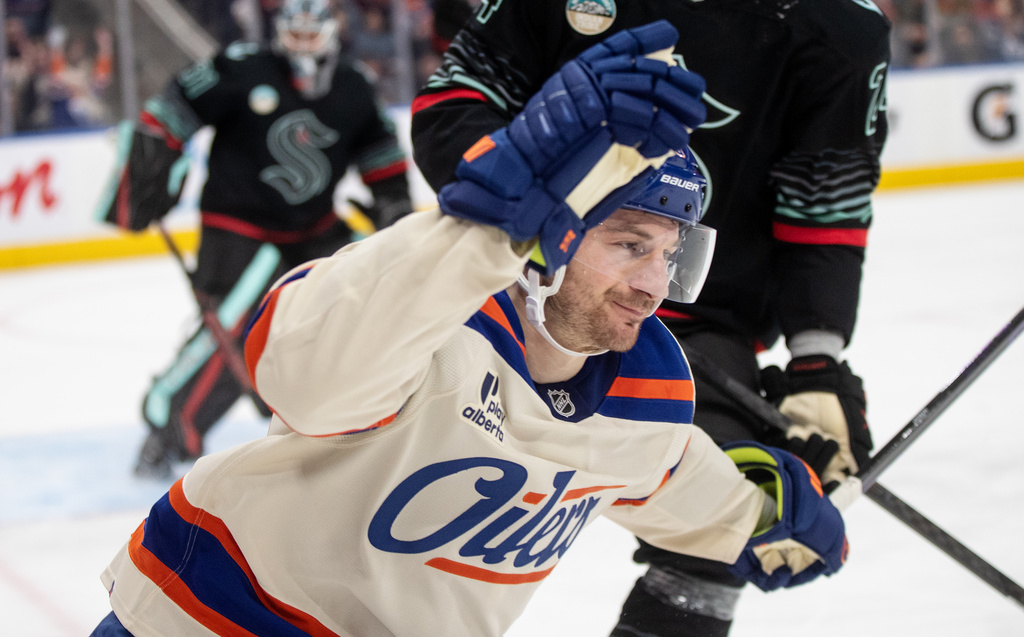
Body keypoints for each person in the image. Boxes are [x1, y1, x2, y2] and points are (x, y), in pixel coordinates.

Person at [90, 22, 848, 637]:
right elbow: (299, 371)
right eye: (629, 243)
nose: (654, 285)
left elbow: (672, 478)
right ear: (555, 232)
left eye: (669, 254)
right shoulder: (437, 320)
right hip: (217, 616)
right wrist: (480, 229)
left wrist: (767, 507)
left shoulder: (647, 389)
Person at [409, 2, 888, 635]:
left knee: (740, 510)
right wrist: (529, 203)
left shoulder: (837, 25)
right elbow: (452, 105)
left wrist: (816, 359)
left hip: (692, 312)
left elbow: (824, 195)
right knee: (424, 489)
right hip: (516, 279)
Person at [100, 0, 412, 479]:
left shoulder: (354, 86)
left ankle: (346, 430)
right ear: (279, 32)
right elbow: (173, 108)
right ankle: (169, 432)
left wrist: (393, 208)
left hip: (313, 231)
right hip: (238, 228)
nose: (302, 45)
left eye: (312, 35)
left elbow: (382, 157)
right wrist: (153, 166)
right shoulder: (243, 68)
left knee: (351, 318)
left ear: (332, 32)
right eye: (294, 34)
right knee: (233, 336)